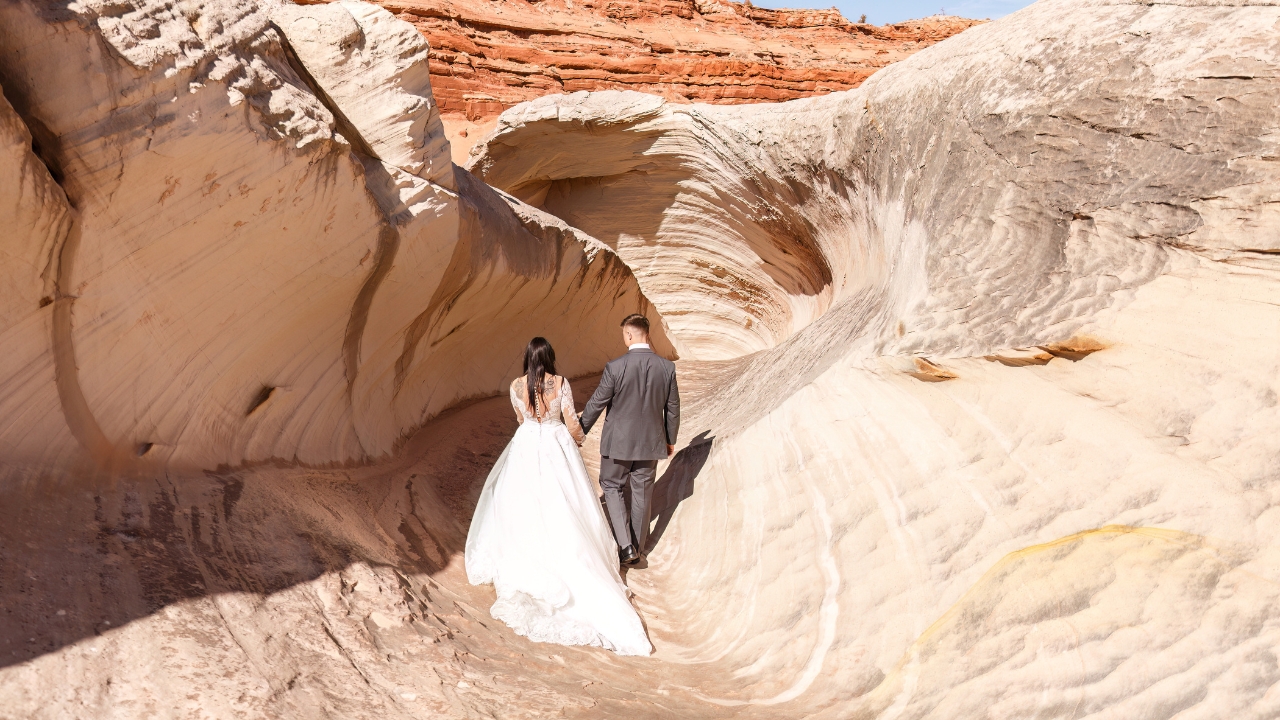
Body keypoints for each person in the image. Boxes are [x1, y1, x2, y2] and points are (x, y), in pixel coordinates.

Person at [465, 337, 652, 655]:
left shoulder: (515, 386)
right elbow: (572, 423)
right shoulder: (560, 383)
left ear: (527, 357)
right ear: (550, 357)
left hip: (526, 444)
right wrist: (575, 441)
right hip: (555, 445)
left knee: (523, 505)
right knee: (564, 506)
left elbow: (520, 420)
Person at [579, 314, 680, 567]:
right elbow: (673, 409)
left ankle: (625, 546)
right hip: (651, 442)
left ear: (630, 335)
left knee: (611, 485)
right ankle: (638, 547)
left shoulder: (615, 367)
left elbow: (596, 403)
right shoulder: (666, 368)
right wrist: (669, 439)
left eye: (624, 334)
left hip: (618, 443)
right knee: (642, 493)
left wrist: (579, 432)